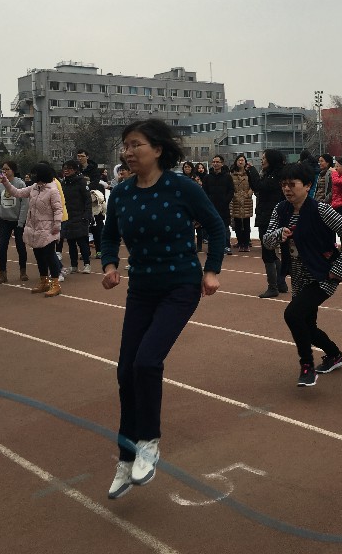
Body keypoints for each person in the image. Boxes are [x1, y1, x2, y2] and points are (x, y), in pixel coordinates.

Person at [100, 119, 225, 500]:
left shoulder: (182, 187)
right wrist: (109, 265)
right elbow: (109, 235)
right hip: (141, 289)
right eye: (125, 145)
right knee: (125, 372)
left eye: (135, 144)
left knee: (147, 362)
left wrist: (212, 270)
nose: (128, 152)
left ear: (157, 149)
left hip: (179, 286)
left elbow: (216, 227)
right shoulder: (121, 193)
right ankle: (126, 459)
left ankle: (149, 443)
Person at [262, 163, 342, 386]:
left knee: (293, 315)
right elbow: (267, 241)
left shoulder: (321, 210)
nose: (287, 189)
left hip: (323, 275)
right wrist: (279, 234)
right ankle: (334, 355)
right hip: (298, 276)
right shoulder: (281, 210)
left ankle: (307, 366)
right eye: (284, 185)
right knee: (307, 325)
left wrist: (339, 267)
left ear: (307, 186)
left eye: (292, 184)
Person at [0, 163, 63, 296]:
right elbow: (17, 193)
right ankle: (44, 281)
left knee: (49, 256)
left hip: (48, 229)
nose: (33, 176)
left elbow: (58, 209)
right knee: (39, 256)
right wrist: (6, 182)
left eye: (35, 174)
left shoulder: (52, 190)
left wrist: (57, 226)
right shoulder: (34, 187)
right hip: (34, 228)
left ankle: (56, 284)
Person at [248, 149, 287, 298]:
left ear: (271, 160)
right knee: (271, 251)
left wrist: (251, 170)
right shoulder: (271, 174)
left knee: (268, 252)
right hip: (266, 214)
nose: (262, 160)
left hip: (270, 216)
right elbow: (257, 186)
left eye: (264, 158)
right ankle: (280, 283)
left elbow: (260, 186)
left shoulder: (276, 176)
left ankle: (273, 287)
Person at [0, 160, 29, 284]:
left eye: (7, 169)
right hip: (5, 220)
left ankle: (23, 271)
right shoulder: (1, 185)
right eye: (3, 169)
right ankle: (2, 273)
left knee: (21, 247)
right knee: (2, 248)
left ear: (13, 170)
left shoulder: (20, 183)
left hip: (17, 221)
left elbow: (24, 204)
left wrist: (21, 222)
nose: (4, 171)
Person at [61, 160, 93, 273]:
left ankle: (87, 264)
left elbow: (88, 199)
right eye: (65, 168)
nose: (66, 171)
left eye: (69, 168)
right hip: (68, 216)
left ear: (75, 170)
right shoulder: (63, 183)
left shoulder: (81, 182)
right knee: (71, 243)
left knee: (82, 242)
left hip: (80, 216)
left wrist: (87, 214)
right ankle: (73, 265)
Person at [203, 155, 235, 255]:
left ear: (222, 163)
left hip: (224, 207)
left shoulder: (227, 177)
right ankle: (213, 247)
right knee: (212, 227)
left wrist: (226, 200)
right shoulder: (207, 177)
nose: (215, 164)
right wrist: (208, 202)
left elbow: (231, 190)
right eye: (214, 162)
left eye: (217, 162)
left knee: (225, 227)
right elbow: (204, 191)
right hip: (211, 207)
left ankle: (226, 246)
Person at [230, 154, 255, 252]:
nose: (240, 162)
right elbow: (229, 186)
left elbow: (253, 185)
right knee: (237, 223)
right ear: (236, 162)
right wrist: (234, 195)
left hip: (246, 200)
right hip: (236, 200)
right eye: (239, 160)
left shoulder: (249, 173)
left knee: (246, 222)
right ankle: (240, 242)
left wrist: (249, 193)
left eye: (242, 160)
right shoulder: (232, 174)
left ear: (245, 162)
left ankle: (246, 243)